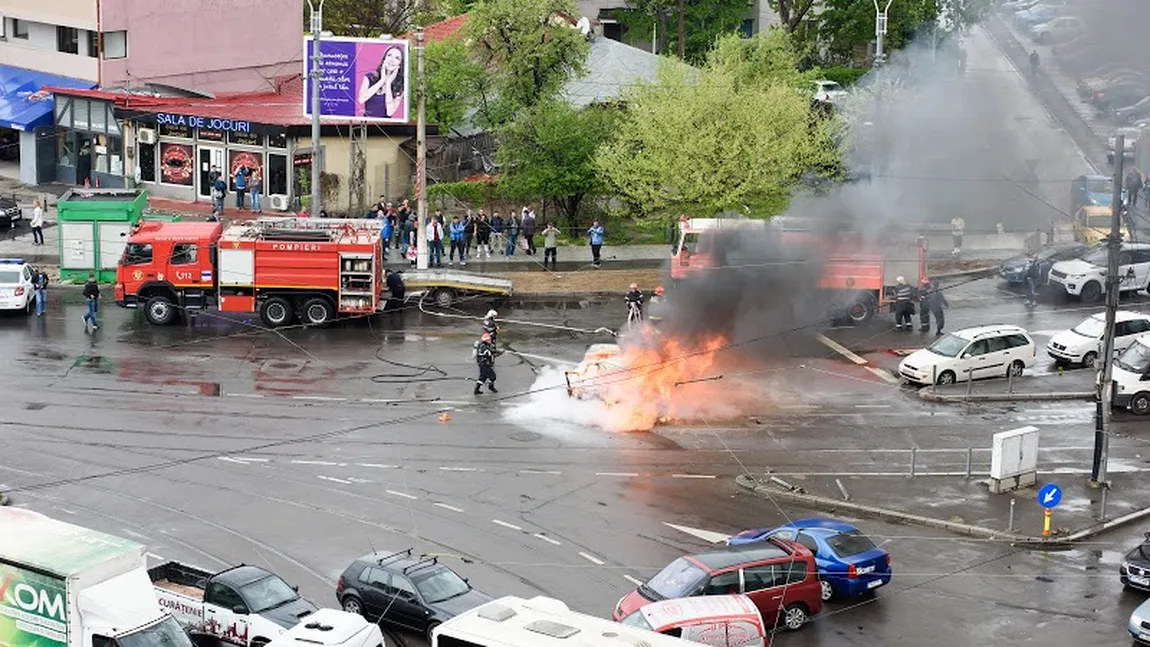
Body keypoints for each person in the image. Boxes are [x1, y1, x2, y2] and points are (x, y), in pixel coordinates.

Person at [358, 45, 406, 119]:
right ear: (384, 59)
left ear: (400, 64)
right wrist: (382, 80)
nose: (392, 60)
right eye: (389, 55)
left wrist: (388, 83)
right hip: (367, 123)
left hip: (385, 125)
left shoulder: (401, 86)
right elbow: (361, 99)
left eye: (397, 58)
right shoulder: (370, 77)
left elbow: (390, 112)